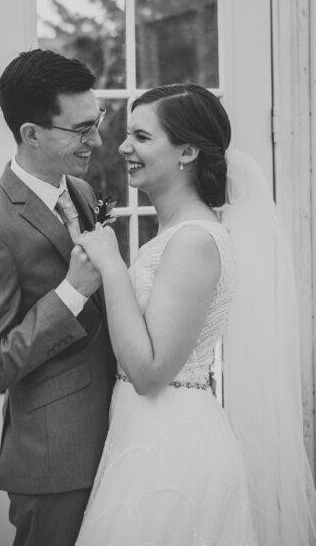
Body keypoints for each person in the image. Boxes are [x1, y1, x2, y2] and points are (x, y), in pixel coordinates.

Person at [72, 84, 316, 545]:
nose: (123, 147)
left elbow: (150, 370)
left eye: (142, 137)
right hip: (143, 430)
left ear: (186, 151)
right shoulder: (177, 233)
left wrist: (110, 266)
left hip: (173, 444)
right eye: (127, 134)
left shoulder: (194, 241)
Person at [0, 49, 115, 546]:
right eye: (81, 129)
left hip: (117, 438)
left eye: (97, 121)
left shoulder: (82, 192)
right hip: (54, 463)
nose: (98, 139)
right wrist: (70, 293)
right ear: (31, 133)